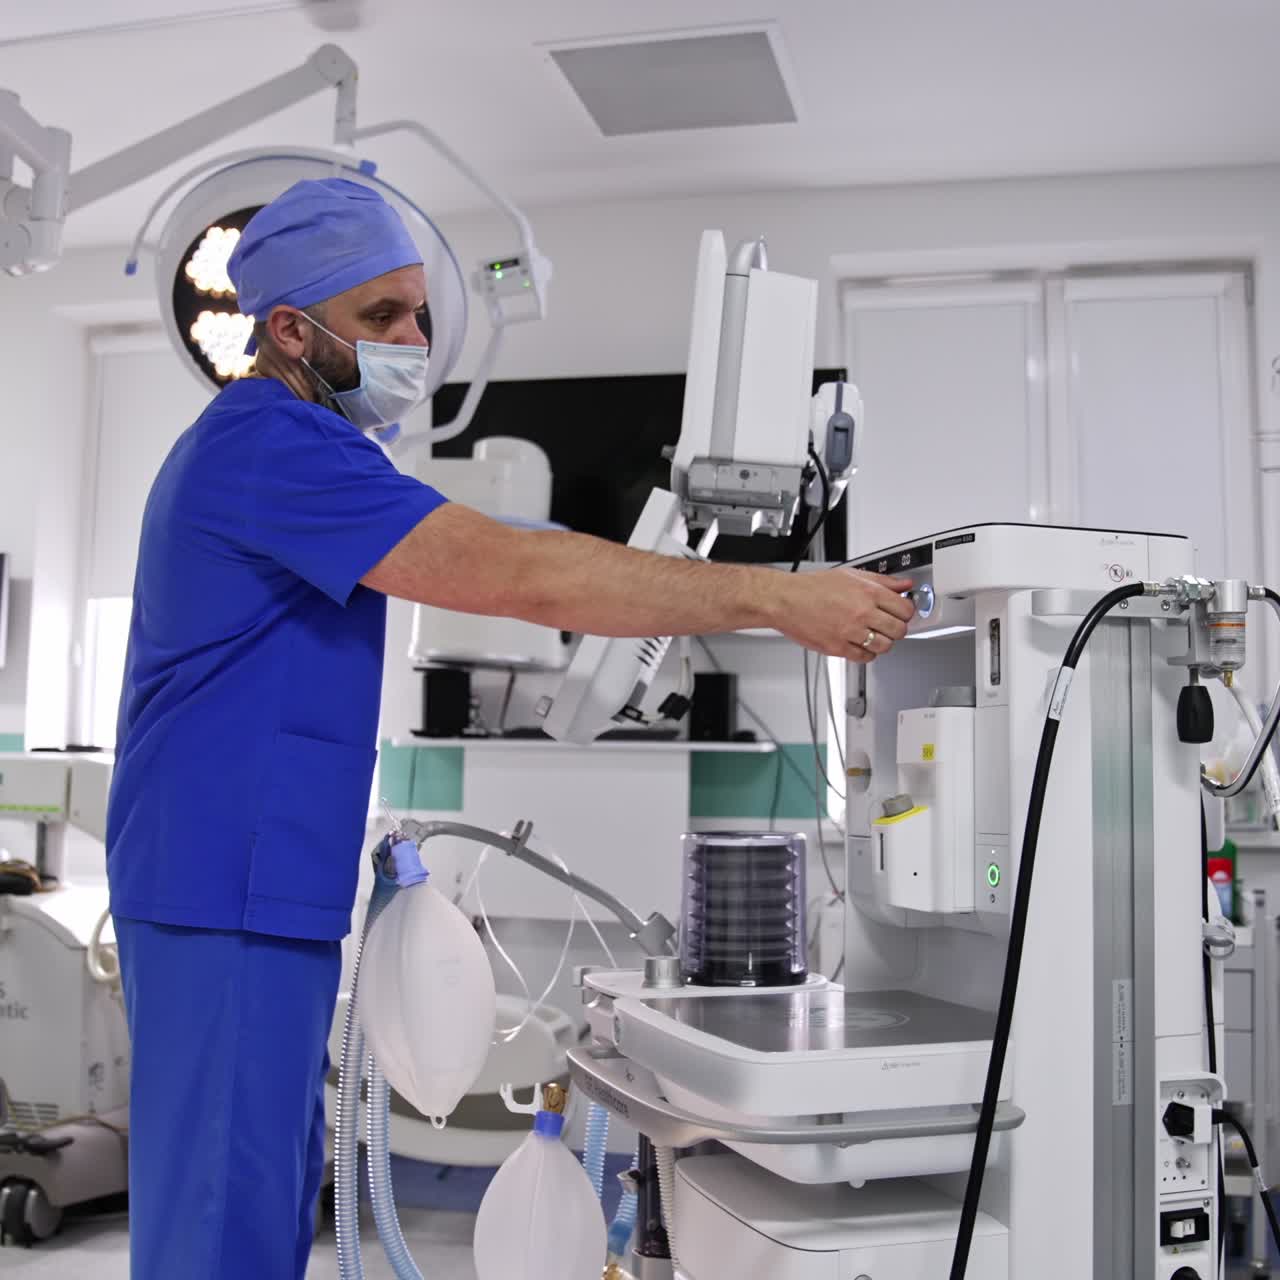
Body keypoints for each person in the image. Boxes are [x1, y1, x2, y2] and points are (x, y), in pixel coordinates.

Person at [105, 177, 914, 1279]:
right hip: (221, 888)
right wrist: (777, 596)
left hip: (251, 883)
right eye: (381, 316)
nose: (413, 339)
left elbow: (515, 543)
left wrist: (640, 562)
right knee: (220, 1224)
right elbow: (517, 572)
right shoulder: (267, 446)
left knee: (261, 1198)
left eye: (421, 313)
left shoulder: (317, 455)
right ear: (289, 331)